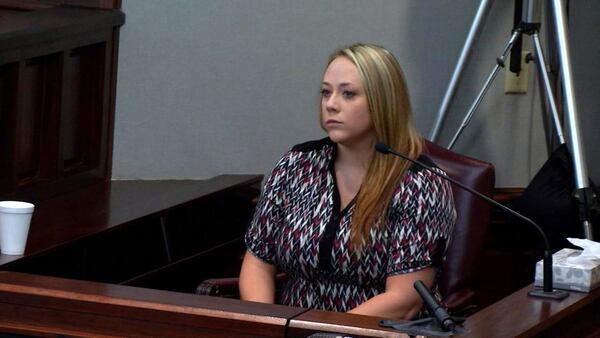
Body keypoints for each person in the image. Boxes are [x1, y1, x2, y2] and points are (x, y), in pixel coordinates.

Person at [239, 43, 456, 320]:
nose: (331, 104)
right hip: (292, 328)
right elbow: (258, 260)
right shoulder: (296, 165)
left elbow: (404, 300)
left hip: (374, 332)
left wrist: (323, 334)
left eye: (348, 94)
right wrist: (267, 324)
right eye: (326, 92)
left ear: (383, 102)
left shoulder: (420, 184)